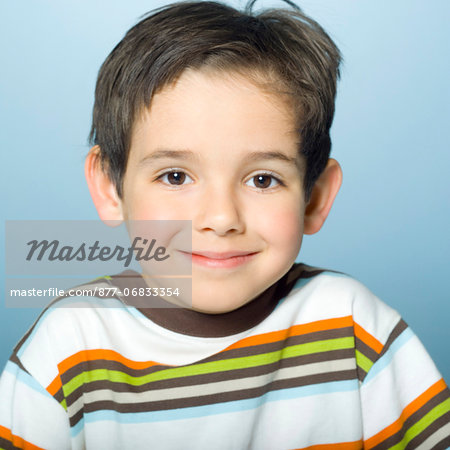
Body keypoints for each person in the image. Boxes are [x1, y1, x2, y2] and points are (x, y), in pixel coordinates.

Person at [1, 1, 449, 448]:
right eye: (175, 176)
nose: (221, 218)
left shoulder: (355, 329)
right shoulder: (69, 345)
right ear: (110, 189)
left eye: (262, 179)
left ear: (314, 198)